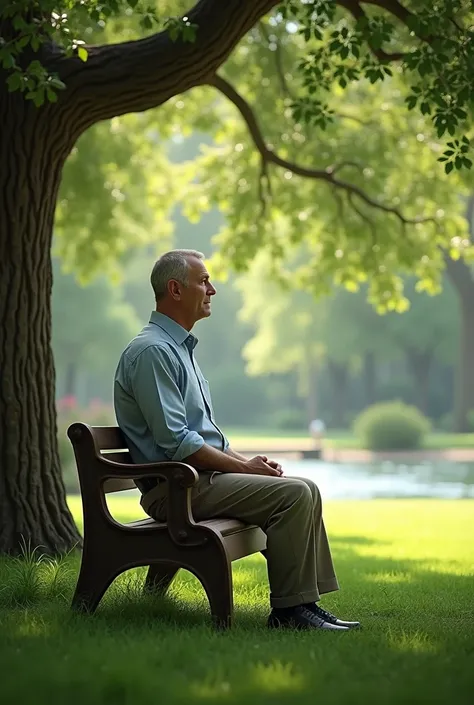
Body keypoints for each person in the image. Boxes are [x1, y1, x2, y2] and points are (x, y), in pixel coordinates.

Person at [114, 249, 360, 631]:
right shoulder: (152, 352)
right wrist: (244, 468)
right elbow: (178, 443)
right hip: (176, 489)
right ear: (175, 289)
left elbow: (205, 437)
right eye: (204, 280)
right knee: (294, 495)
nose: (212, 289)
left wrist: (252, 464)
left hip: (195, 481)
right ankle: (289, 613)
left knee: (304, 486)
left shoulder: (178, 350)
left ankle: (306, 604)